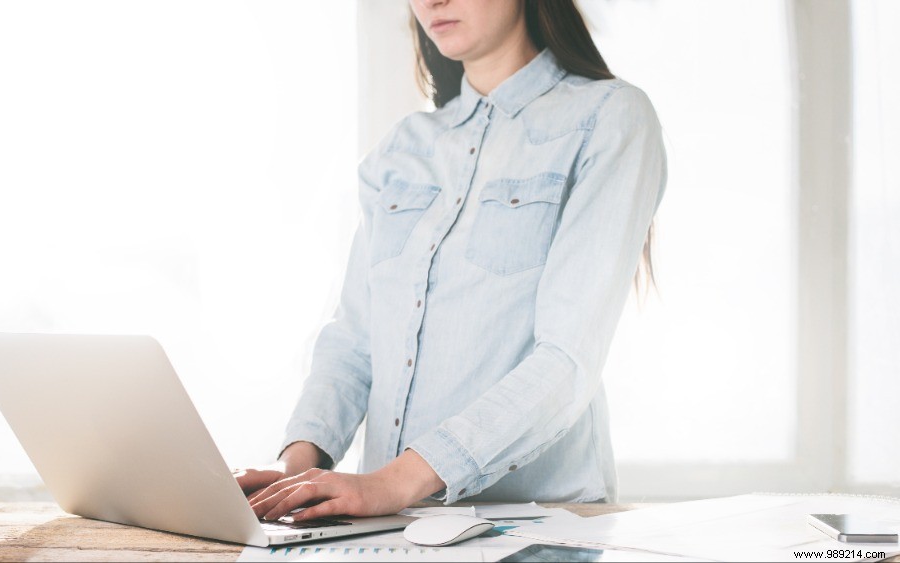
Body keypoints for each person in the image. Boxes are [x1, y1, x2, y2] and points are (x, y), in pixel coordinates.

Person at [236, 0, 667, 522]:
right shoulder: (401, 148)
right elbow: (354, 341)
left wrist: (392, 483)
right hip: (388, 532)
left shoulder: (609, 117)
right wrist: (294, 468)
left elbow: (567, 361)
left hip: (539, 528)